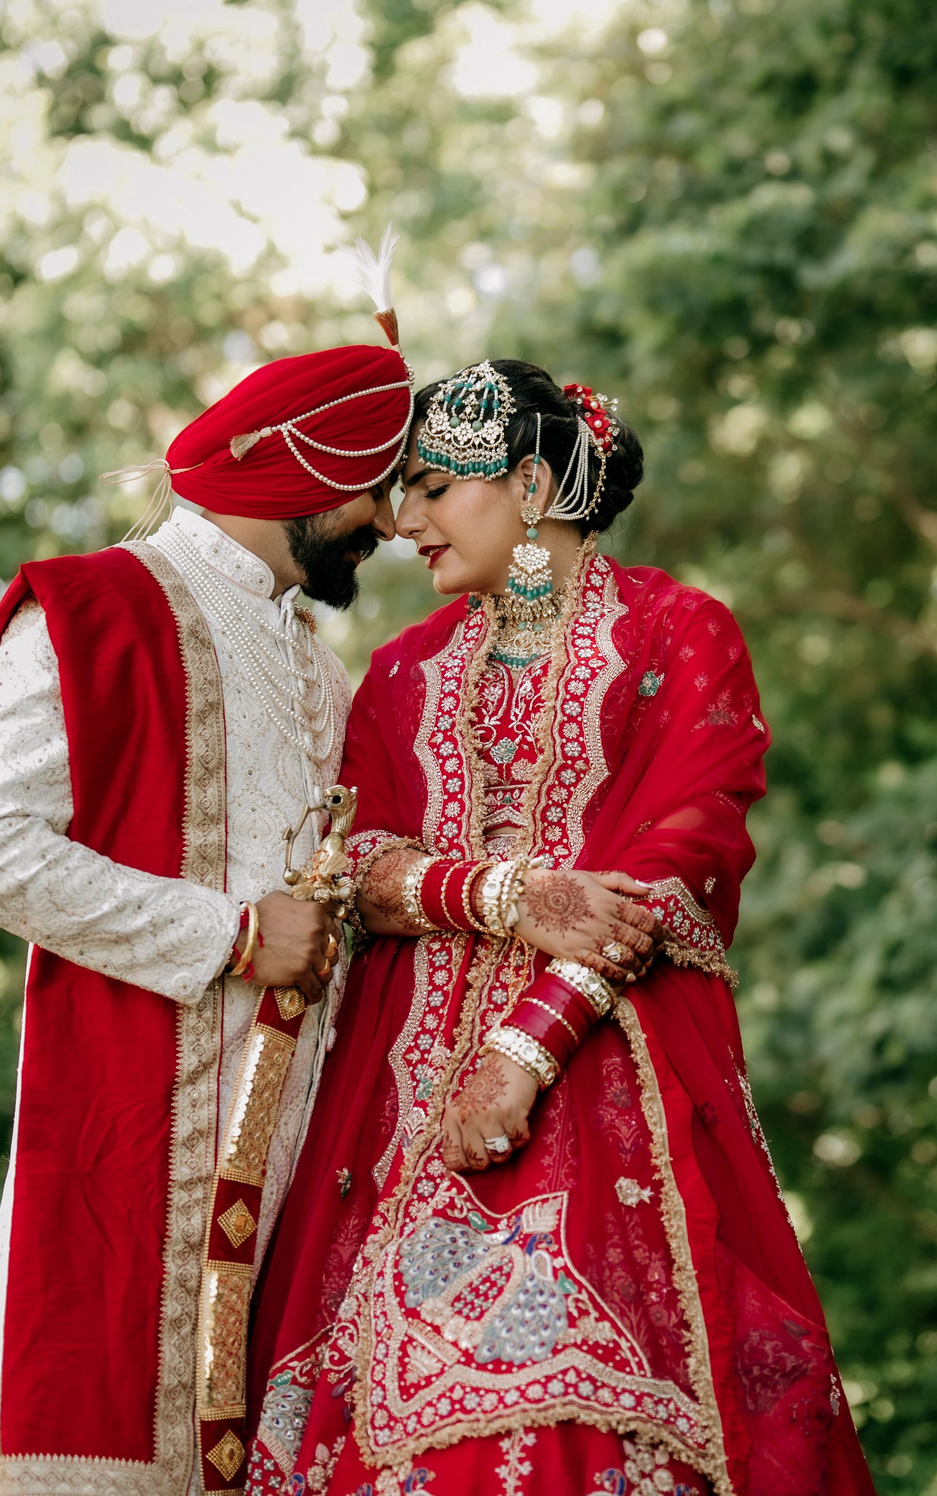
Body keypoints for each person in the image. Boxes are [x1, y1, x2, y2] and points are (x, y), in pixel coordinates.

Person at [241, 360, 874, 1496]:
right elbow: (354, 870)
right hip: (393, 1113)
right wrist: (507, 896)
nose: (403, 521)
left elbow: (668, 871)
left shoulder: (680, 636)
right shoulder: (395, 677)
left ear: (530, 484)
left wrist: (521, 1053)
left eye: (436, 487)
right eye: (399, 492)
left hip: (604, 1091)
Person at [0, 334, 411, 1496]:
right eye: (375, 488)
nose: (392, 525)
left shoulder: (319, 661)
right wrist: (235, 935)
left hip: (299, 1188)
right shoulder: (93, 608)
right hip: (126, 1166)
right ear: (304, 467)